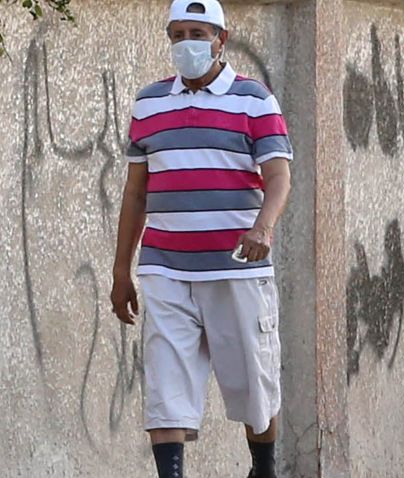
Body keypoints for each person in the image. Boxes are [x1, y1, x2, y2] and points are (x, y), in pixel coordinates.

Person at [110, 1, 292, 477]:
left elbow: (278, 176)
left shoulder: (254, 100)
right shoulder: (148, 103)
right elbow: (135, 194)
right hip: (165, 268)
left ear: (220, 39)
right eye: (177, 34)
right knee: (166, 390)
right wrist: (120, 271)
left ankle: (263, 468)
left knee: (255, 386)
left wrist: (263, 227)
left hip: (236, 267)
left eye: (197, 32)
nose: (185, 42)